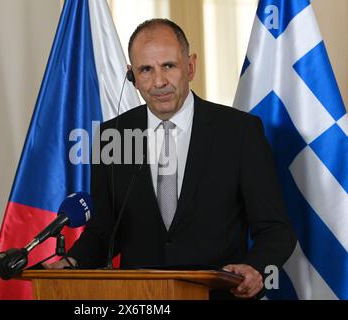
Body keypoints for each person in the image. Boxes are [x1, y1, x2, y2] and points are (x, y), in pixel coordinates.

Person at [45, 19, 297, 299]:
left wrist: (254, 267)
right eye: (146, 70)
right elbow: (103, 232)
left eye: (169, 66)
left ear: (190, 66)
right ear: (132, 77)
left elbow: (276, 229)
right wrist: (72, 262)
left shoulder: (239, 132)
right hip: (139, 300)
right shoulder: (111, 136)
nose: (159, 82)